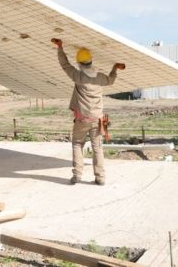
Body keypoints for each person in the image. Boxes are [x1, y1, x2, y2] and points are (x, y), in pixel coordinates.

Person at [51, 38, 125, 185]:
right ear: (91, 61)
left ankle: (77, 175)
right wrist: (115, 68)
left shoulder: (78, 76)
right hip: (97, 119)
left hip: (82, 119)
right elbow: (111, 80)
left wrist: (60, 47)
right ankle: (100, 178)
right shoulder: (100, 77)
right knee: (97, 148)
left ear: (79, 63)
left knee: (77, 144)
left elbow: (65, 65)